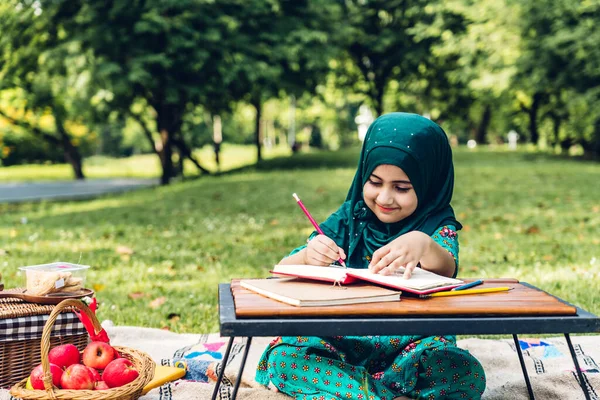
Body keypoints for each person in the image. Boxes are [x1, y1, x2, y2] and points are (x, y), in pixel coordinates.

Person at [255, 113, 486, 400]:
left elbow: (447, 267)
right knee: (286, 360)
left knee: (465, 372)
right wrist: (307, 256)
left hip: (411, 348)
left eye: (402, 188)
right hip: (340, 343)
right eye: (375, 182)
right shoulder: (352, 216)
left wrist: (424, 246)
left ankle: (356, 393)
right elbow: (282, 270)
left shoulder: (434, 223)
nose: (384, 198)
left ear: (428, 183)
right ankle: (379, 395)